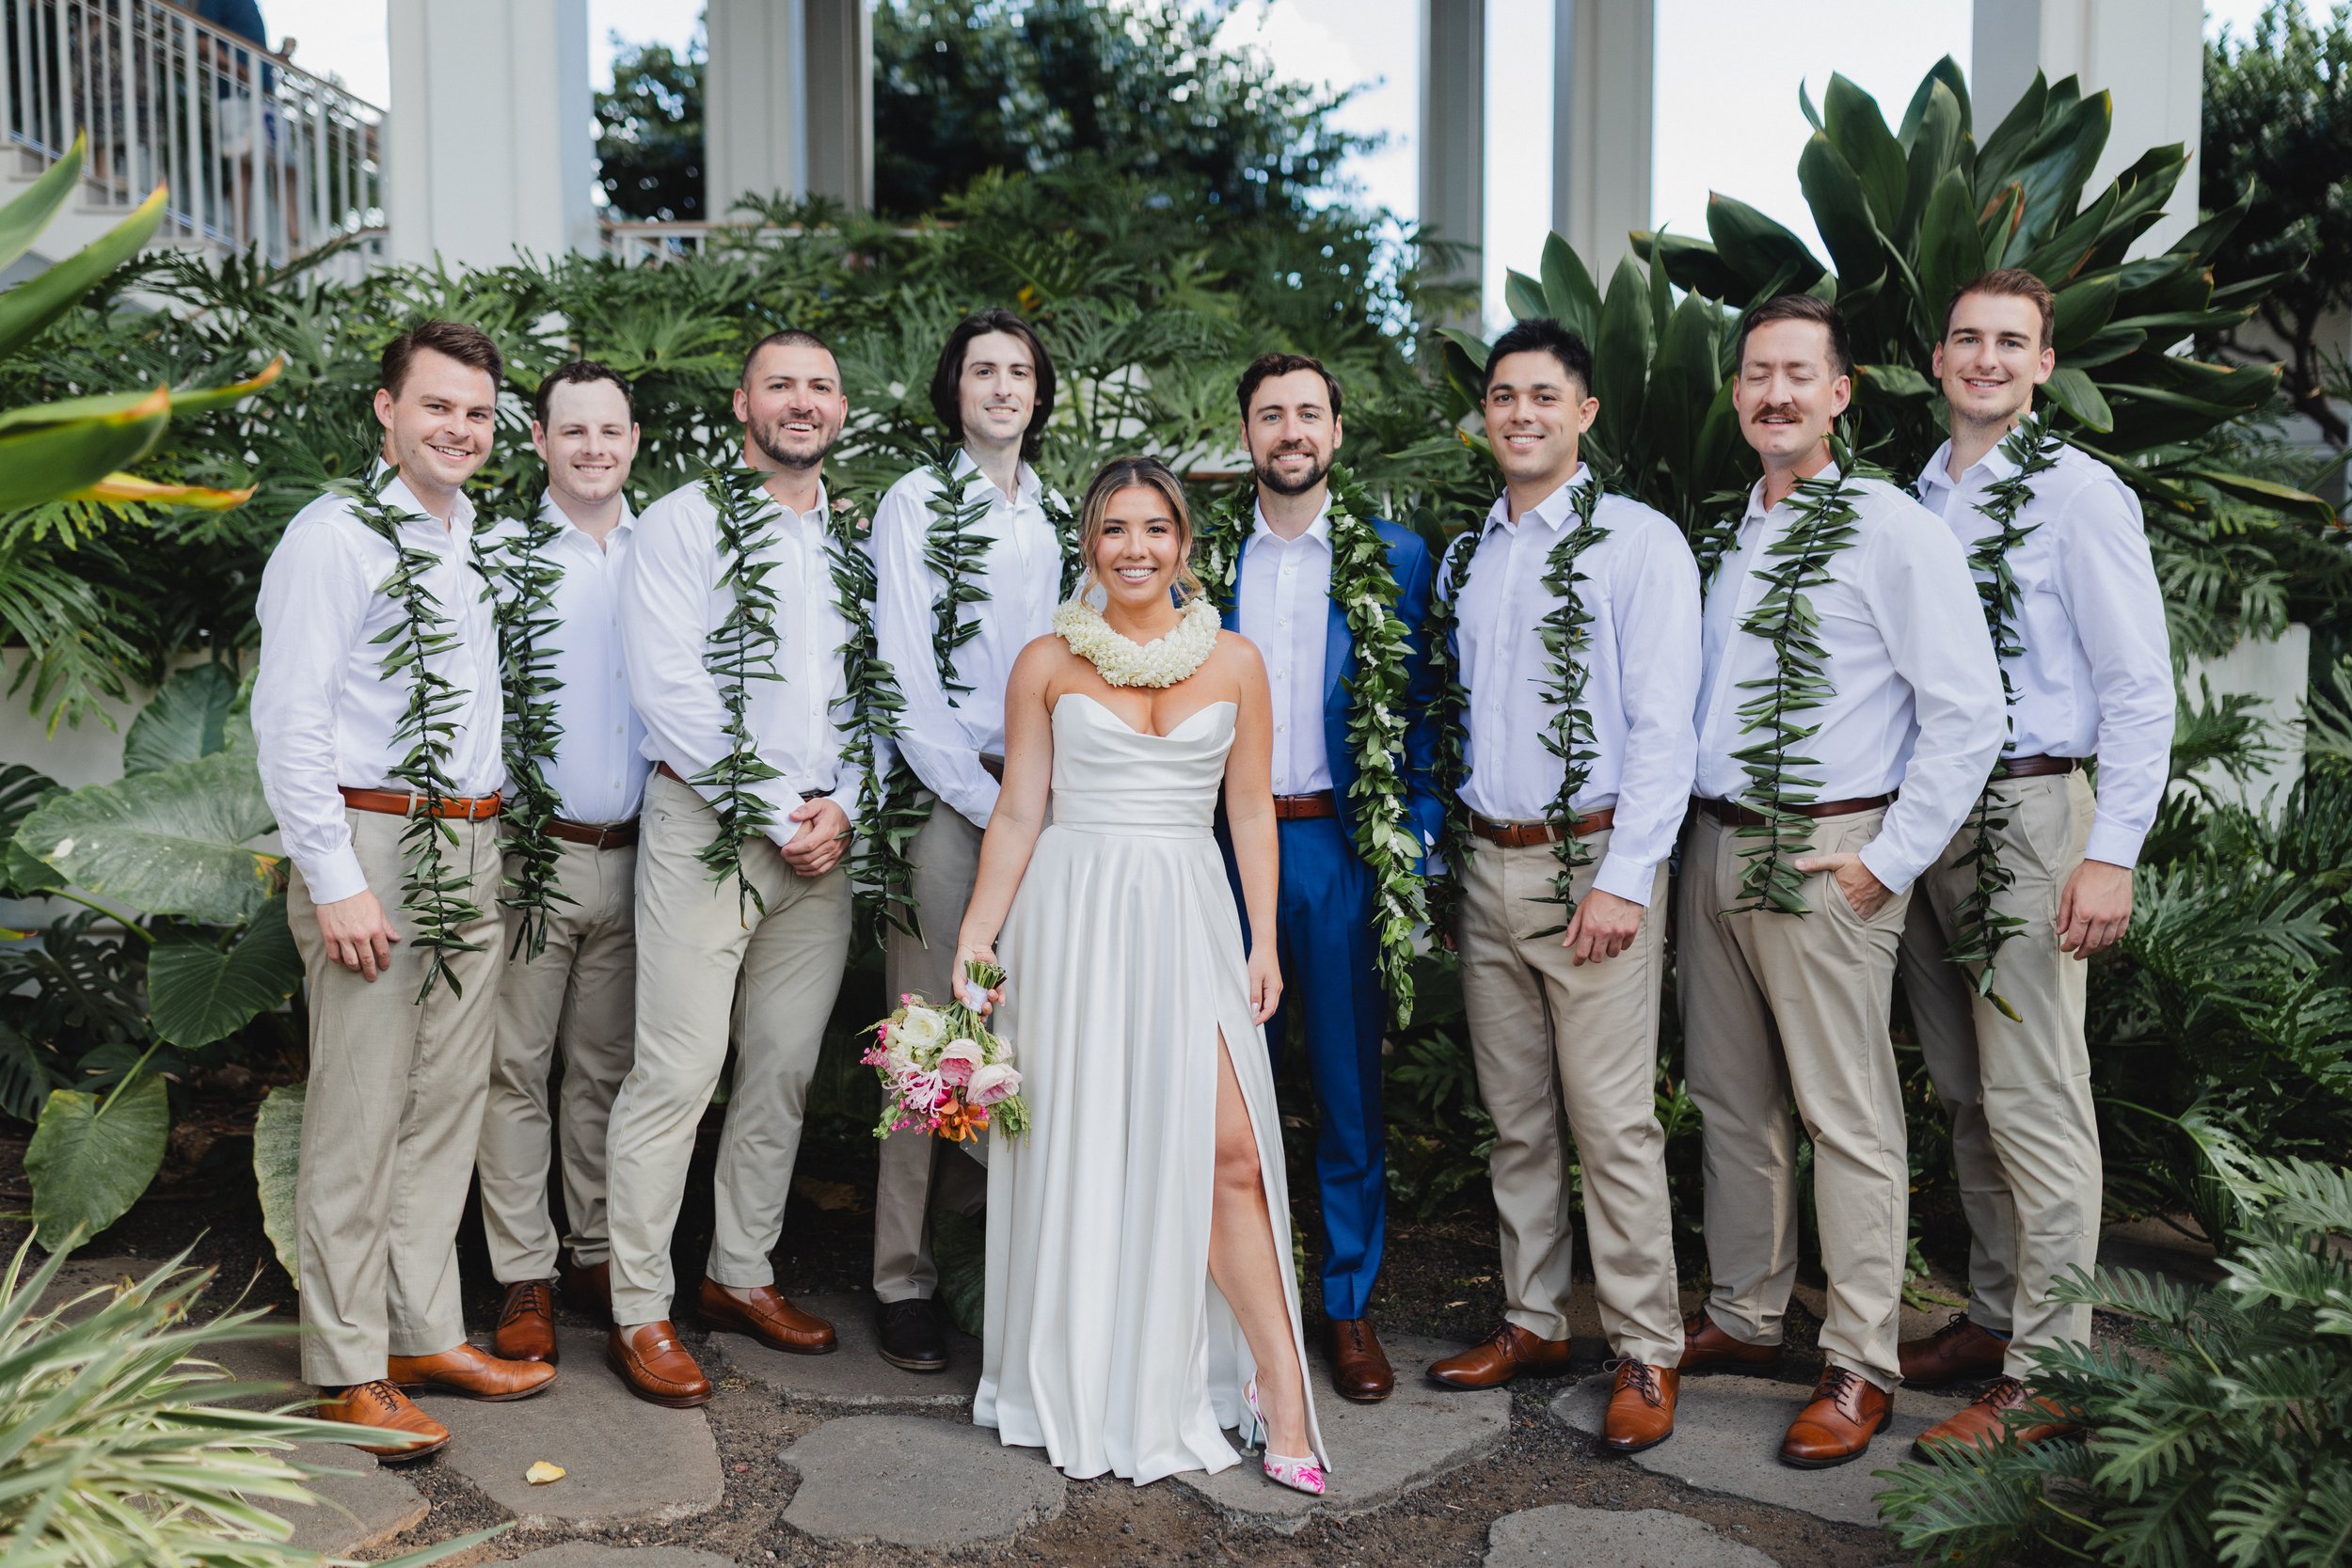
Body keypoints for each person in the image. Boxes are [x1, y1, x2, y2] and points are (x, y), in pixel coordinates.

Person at [1677, 294, 2004, 1467]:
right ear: (1737, 395)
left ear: (1840, 394)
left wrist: (1885, 859)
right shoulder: (1737, 532)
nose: (1775, 392)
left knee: (1845, 1115)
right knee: (1730, 1098)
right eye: (1757, 373)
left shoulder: (1884, 525)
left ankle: (1859, 1358)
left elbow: (1968, 714)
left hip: (1827, 851)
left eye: (1797, 374)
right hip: (1713, 845)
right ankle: (1745, 1309)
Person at [959, 457, 1328, 1493]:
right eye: (1113, 528)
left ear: (1184, 544)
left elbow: (1249, 809)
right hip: (1072, 919)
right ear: (1089, 543)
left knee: (1231, 1154)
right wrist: (978, 936)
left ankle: (1278, 1384)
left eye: (1155, 527)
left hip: (1188, 915)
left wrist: (1262, 941)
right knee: (1091, 1145)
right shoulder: (1044, 660)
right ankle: (1087, 1373)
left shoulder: (1237, 661)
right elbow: (1021, 809)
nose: (1134, 547)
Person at [253, 319, 557, 1461]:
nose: (459, 430)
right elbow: (289, 720)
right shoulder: (334, 538)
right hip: (372, 850)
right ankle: (342, 1365)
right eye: (437, 406)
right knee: (359, 1110)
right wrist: (334, 881)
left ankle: (423, 1330)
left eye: (477, 413)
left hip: (469, 848)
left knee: (443, 1107)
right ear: (386, 409)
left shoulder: (474, 537)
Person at [1897, 270, 2172, 1456]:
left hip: (2032, 811)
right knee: (1965, 1089)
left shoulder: (2077, 493)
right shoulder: (1915, 494)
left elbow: (2138, 687)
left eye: (2012, 342)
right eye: (1968, 338)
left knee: (2036, 1093)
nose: (1987, 359)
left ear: (2044, 364)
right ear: (1939, 356)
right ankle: (1997, 1313)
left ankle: (2051, 1364)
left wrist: (2108, 852)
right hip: (1930, 820)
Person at [1421, 322, 1699, 1455]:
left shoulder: (1639, 543)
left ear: (1584, 412)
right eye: (1501, 395)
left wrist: (1626, 878)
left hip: (1592, 862)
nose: (1519, 413)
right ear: (1483, 415)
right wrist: (1448, 865)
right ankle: (1533, 1318)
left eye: (1543, 395)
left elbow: (1665, 725)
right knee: (1517, 1117)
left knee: (1612, 1120)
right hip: (1486, 862)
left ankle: (1645, 1345)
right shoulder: (1466, 555)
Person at [601, 330, 870, 1406]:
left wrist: (844, 802)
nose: (801, 404)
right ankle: (637, 1305)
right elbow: (668, 687)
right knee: (675, 1070)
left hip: (825, 838)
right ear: (740, 404)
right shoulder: (683, 522)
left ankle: (739, 1273)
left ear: (839, 409)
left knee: (783, 1067)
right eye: (781, 386)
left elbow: (875, 691)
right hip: (709, 825)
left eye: (819, 387)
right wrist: (775, 807)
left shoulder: (850, 543)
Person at [1212, 351, 1439, 1404]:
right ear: (1247, 435)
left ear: (1336, 432)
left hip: (1343, 848)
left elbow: (1435, 706)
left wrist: (1414, 844)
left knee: (1348, 1089)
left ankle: (1346, 1306)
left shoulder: (1395, 556)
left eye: (1308, 413)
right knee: (1227, 1091)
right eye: (1271, 415)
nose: (1290, 431)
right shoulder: (1204, 562)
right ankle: (1236, 1306)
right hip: (1217, 848)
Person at [869, 309, 1065, 1372]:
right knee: (926, 1033)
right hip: (957, 801)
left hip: (1049, 809)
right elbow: (900, 668)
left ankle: (997, 1265)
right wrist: (985, 797)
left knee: (1018, 1034)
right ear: (954, 390)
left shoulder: (1058, 512)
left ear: (1039, 392)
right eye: (982, 370)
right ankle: (901, 1275)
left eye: (1019, 371)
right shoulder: (915, 503)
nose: (1001, 386)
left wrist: (1046, 798)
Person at [471, 360, 651, 1363]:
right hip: (531, 859)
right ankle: (523, 1273)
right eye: (571, 431)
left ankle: (593, 1247)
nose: (592, 448)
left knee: (608, 1069)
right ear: (538, 440)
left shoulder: (664, 552)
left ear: (633, 439)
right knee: (515, 1066)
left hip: (639, 856)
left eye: (610, 431)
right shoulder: (497, 557)